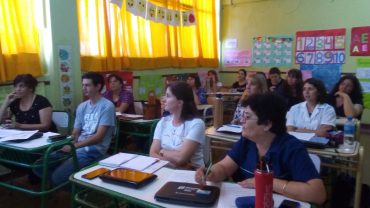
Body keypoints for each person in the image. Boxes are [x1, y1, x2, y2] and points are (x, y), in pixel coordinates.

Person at [195, 93, 326, 205]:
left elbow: (317, 194)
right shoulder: (247, 141)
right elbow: (224, 167)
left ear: (267, 124)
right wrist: (211, 172)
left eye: (247, 116)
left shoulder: (291, 148)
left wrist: (266, 182)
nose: (241, 121)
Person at [34, 72, 116, 186]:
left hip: (94, 150)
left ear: (98, 86)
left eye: (87, 85)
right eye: (83, 85)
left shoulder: (107, 106)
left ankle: (75, 188)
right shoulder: (82, 106)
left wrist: (74, 146)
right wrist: (70, 142)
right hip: (78, 147)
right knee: (38, 166)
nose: (84, 88)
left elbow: (98, 137)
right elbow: (76, 131)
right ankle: (63, 184)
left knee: (57, 177)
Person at [149, 81, 205, 169]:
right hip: (167, 170)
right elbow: (152, 153)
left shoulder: (196, 124)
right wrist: (173, 164)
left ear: (179, 102)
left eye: (168, 96)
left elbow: (181, 158)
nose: (164, 100)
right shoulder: (163, 122)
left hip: (191, 175)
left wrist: (162, 151)